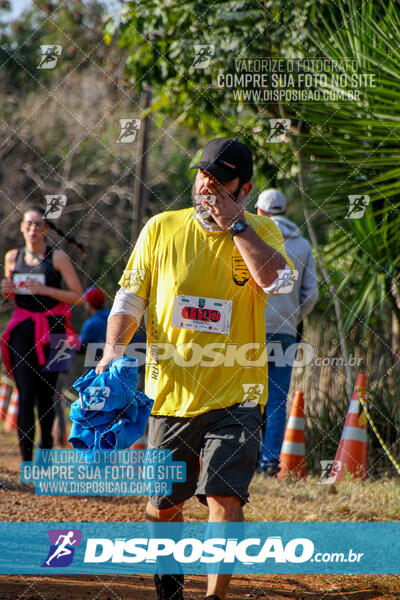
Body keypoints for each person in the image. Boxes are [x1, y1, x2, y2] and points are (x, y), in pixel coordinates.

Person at [96, 138, 293, 600]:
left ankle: (215, 597)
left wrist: (238, 227)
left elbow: (278, 281)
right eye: (204, 176)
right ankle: (170, 592)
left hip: (238, 393)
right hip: (171, 394)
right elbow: (131, 297)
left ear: (243, 190)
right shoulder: (161, 228)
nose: (208, 188)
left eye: (221, 183)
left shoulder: (262, 232)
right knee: (163, 505)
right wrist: (111, 351)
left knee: (225, 498)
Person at [1, 205, 84, 462]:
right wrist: (6, 289)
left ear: (46, 229)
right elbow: (12, 292)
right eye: (29, 224)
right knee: (25, 393)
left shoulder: (57, 257)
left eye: (39, 225)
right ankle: (27, 459)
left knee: (47, 395)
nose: (33, 229)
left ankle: (46, 452)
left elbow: (78, 297)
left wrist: (45, 290)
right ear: (21, 227)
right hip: (23, 330)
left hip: (55, 330)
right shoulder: (12, 257)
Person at [256, 189, 318, 476]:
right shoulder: (302, 245)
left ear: (260, 212)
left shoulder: (251, 238)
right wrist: (293, 317)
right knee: (278, 398)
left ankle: (246, 457)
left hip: (250, 331)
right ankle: (269, 462)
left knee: (247, 395)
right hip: (285, 332)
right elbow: (311, 294)